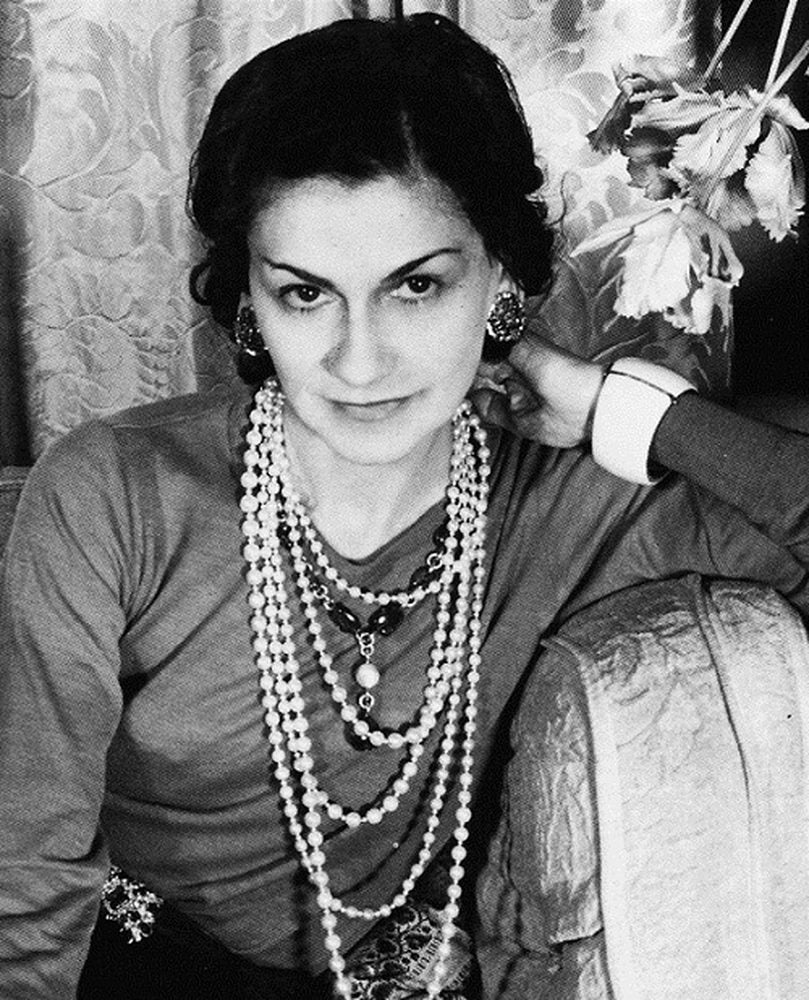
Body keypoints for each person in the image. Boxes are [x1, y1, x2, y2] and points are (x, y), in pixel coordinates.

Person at [1, 12, 808, 1000]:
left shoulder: (576, 503)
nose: (359, 361)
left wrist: (618, 407)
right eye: (305, 294)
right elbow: (23, 884)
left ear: (499, 279)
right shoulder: (112, 496)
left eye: (416, 286)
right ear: (249, 302)